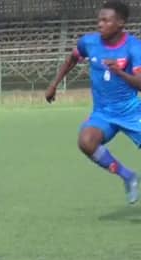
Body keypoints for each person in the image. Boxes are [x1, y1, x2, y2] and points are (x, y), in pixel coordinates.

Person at [46, 1, 141, 205]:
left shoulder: (134, 47)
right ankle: (128, 176)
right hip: (103, 113)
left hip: (131, 112)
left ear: (120, 23)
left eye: (106, 20)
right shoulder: (89, 43)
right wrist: (54, 84)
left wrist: (120, 73)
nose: (100, 24)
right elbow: (72, 59)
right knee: (86, 141)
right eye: (99, 20)